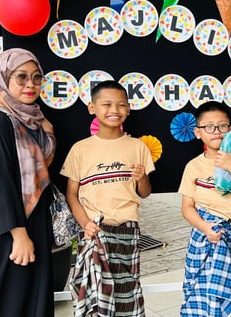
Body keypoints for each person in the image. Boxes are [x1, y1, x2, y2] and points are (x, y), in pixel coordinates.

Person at [0, 48, 56, 317]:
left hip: (32, 226)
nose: (31, 84)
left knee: (31, 301)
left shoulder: (31, 120)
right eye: (21, 77)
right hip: (7, 233)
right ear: (3, 78)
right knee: (8, 303)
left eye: (36, 77)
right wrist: (18, 235)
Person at [61, 80, 155, 316]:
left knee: (127, 292)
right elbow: (71, 195)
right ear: (92, 108)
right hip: (94, 231)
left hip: (128, 230)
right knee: (95, 295)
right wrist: (86, 225)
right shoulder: (80, 149)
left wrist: (142, 177)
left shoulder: (137, 147)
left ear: (129, 109)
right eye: (106, 104)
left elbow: (144, 192)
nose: (114, 110)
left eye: (121, 105)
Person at [178, 101, 231, 316]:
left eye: (222, 126)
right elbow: (187, 207)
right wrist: (205, 226)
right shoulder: (193, 166)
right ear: (198, 133)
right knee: (201, 292)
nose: (216, 131)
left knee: (224, 294)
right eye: (209, 127)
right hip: (203, 235)